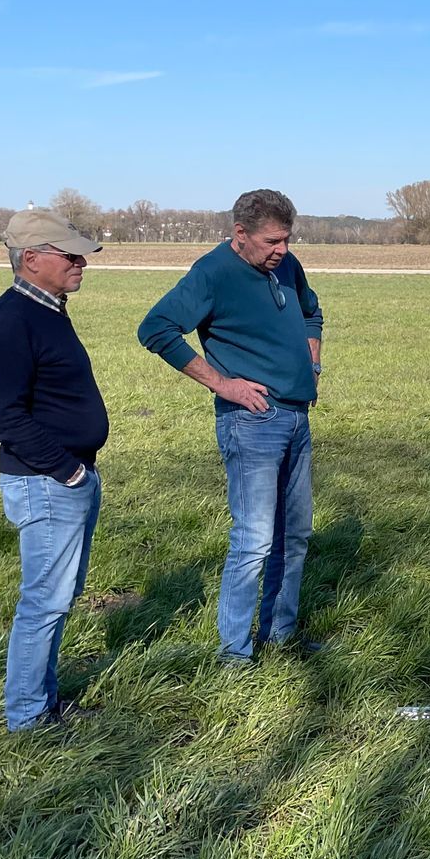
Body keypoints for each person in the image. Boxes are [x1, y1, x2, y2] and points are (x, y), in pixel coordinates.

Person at [137, 189, 324, 665]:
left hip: (297, 416)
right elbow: (155, 329)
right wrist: (223, 384)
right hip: (252, 422)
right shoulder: (213, 273)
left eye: (287, 239)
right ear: (240, 233)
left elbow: (311, 311)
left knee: (295, 536)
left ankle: (280, 635)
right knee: (254, 540)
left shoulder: (287, 265)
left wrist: (312, 361)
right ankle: (235, 654)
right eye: (272, 241)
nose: (282, 250)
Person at [0, 209, 110, 731]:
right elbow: (6, 417)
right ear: (31, 259)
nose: (82, 263)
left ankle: (43, 701)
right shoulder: (13, 319)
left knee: (58, 598)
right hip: (47, 480)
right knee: (44, 602)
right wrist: (67, 471)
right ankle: (28, 716)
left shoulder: (48, 310)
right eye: (70, 254)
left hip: (67, 477)